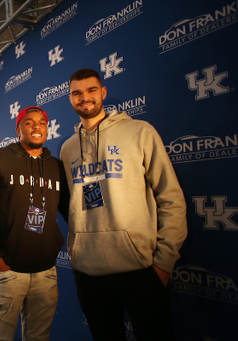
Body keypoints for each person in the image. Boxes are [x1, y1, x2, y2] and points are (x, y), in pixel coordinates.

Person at [60, 68, 187, 341]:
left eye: (91, 90)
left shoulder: (139, 131)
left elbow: (170, 197)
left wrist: (164, 263)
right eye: (77, 93)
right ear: (70, 99)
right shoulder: (68, 148)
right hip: (88, 271)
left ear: (103, 92)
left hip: (140, 268)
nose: (85, 98)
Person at [0, 106, 68, 341]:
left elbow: (70, 211)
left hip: (46, 271)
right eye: (29, 122)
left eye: (42, 122)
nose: (36, 126)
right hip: (9, 271)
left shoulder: (57, 167)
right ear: (18, 129)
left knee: (39, 338)